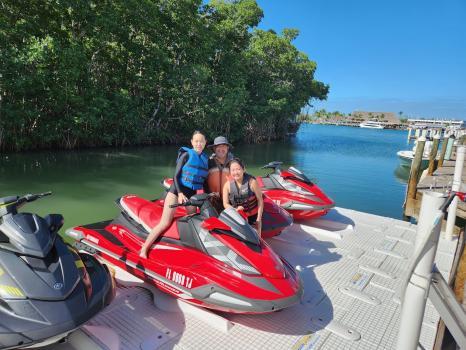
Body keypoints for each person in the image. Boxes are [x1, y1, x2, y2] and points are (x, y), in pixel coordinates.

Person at [139, 131, 208, 258]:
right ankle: (144, 249)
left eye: (201, 141)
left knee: (194, 219)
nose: (199, 144)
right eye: (196, 141)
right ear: (192, 142)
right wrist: (180, 193)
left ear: (205, 143)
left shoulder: (205, 159)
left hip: (191, 193)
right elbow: (175, 176)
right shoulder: (186, 155)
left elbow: (204, 180)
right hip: (176, 190)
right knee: (165, 223)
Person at [222, 158, 263, 237]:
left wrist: (259, 219)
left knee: (255, 238)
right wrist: (235, 210)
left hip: (253, 217)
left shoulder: (252, 182)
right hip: (237, 216)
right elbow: (225, 203)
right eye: (233, 170)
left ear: (243, 169)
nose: (235, 172)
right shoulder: (227, 185)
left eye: (238, 169)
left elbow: (260, 200)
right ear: (230, 172)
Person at [205, 136, 234, 210]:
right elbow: (204, 181)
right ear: (214, 149)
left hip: (230, 200)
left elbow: (242, 179)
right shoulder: (209, 162)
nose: (221, 149)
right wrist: (209, 193)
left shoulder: (234, 163)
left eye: (223, 146)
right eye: (218, 146)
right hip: (213, 200)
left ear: (227, 148)